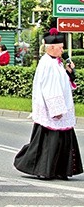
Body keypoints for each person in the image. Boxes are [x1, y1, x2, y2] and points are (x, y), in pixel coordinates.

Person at [14, 28, 83, 179]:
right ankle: (44, 170)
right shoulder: (47, 63)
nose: (62, 50)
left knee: (60, 141)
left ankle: (59, 170)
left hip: (61, 108)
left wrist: (69, 73)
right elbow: (50, 88)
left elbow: (63, 82)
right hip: (52, 110)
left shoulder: (56, 62)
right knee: (49, 143)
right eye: (60, 47)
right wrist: (56, 109)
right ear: (51, 47)